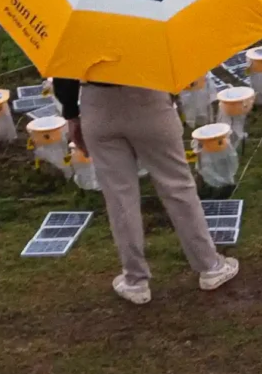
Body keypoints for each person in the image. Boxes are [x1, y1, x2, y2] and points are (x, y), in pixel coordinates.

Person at [59, 76, 239, 304]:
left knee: (119, 195)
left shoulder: (77, 39)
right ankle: (210, 266)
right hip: (148, 96)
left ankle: (135, 281)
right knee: (177, 186)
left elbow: (63, 73)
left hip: (96, 104)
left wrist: (71, 115)